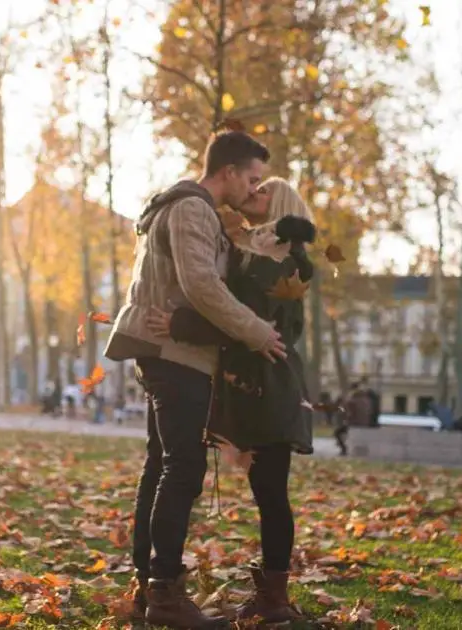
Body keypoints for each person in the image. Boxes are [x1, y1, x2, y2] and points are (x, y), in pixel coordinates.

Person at [103, 130, 285, 629]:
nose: (252, 190)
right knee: (182, 470)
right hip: (175, 356)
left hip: (168, 352)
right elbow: (201, 284)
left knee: (161, 466)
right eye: (250, 178)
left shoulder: (179, 206)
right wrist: (257, 332)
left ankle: (150, 588)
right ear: (226, 171)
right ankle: (164, 592)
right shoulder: (191, 208)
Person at [146, 176, 314, 625]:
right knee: (266, 491)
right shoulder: (260, 253)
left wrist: (183, 324)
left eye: (262, 192)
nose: (251, 195)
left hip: (269, 385)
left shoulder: (281, 263)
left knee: (272, 492)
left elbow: (245, 321)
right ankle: (269, 595)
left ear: (277, 204)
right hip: (250, 384)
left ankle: (274, 599)